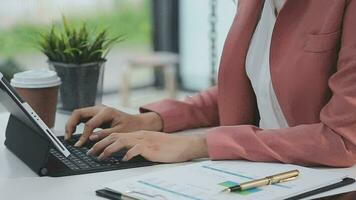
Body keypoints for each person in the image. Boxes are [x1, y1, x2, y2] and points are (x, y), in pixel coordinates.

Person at [65, 0, 356, 167]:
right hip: (259, 171)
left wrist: (198, 145)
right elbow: (253, 88)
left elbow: (342, 141)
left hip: (323, 183)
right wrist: (152, 121)